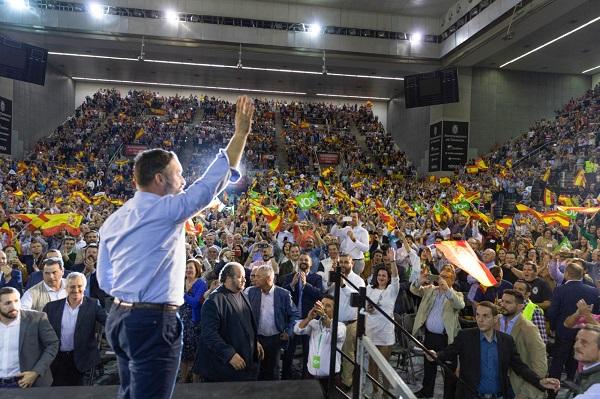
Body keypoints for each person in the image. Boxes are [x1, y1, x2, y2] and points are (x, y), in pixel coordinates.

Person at [98, 96, 255, 399]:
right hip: (153, 322)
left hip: (119, 318)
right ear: (159, 179)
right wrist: (241, 134)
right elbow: (211, 182)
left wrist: (132, 293)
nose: (184, 180)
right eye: (179, 174)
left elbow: (104, 279)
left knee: (129, 393)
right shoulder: (166, 210)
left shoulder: (115, 219)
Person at [428, 301, 561, 399]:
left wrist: (539, 381)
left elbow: (520, 368)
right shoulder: (465, 336)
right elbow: (448, 352)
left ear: (495, 318)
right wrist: (435, 355)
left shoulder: (506, 341)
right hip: (470, 396)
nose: (480, 320)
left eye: (486, 316)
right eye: (478, 315)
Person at [195, 262, 264, 382]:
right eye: (240, 277)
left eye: (244, 277)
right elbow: (209, 335)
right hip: (224, 369)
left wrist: (255, 341)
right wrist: (229, 354)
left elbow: (247, 323)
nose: (244, 280)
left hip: (246, 365)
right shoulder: (214, 301)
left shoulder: (242, 294)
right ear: (227, 277)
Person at [43, 272, 107, 386]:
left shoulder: (92, 305)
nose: (76, 290)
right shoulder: (51, 307)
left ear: (84, 287)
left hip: (83, 361)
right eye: (72, 287)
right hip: (58, 362)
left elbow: (108, 322)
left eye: (79, 286)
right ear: (66, 288)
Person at [411, 264, 464, 399]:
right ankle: (426, 392)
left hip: (446, 338)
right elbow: (413, 290)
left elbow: (460, 305)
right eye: (441, 276)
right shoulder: (431, 290)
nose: (443, 279)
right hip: (430, 336)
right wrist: (419, 280)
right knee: (429, 366)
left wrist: (447, 290)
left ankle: (449, 396)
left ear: (452, 279)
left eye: (446, 277)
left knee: (448, 370)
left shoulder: (456, 294)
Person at [548, 263, 600, 384]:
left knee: (558, 361)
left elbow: (553, 311)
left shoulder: (560, 290)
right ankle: (571, 382)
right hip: (587, 333)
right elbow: (596, 313)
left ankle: (552, 390)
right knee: (577, 358)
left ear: (566, 274)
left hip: (563, 331)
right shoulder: (593, 290)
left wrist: (553, 327)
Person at [247, 265, 299, 380]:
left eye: (258, 277)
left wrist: (289, 331)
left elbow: (295, 314)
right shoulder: (251, 292)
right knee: (256, 371)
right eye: (254, 276)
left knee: (273, 372)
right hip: (256, 339)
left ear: (268, 279)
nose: (254, 279)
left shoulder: (283, 294)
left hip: (275, 339)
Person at [0, 287, 59, 388]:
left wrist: (35, 372)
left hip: (27, 383)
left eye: (16, 301)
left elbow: (53, 344)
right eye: (7, 303)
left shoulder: (37, 319)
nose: (14, 306)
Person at [498, 289, 548, 399]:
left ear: (520, 307)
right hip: (495, 382)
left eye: (508, 302)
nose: (503, 305)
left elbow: (540, 365)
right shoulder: (495, 322)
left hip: (516, 386)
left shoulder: (529, 329)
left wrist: (525, 393)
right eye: (502, 301)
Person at [293, 295, 346, 396]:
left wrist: (324, 316)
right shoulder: (314, 323)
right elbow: (297, 330)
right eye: (322, 304)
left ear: (335, 310)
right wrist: (308, 318)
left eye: (328, 306)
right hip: (311, 374)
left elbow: (337, 334)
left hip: (331, 377)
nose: (324, 308)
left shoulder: (340, 326)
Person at [326, 253, 365, 389]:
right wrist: (330, 280)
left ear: (352, 263)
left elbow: (357, 299)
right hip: (335, 322)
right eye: (340, 262)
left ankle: (347, 382)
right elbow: (325, 292)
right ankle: (334, 378)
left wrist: (343, 285)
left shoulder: (359, 280)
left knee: (348, 353)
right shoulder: (335, 277)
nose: (342, 265)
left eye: (345, 262)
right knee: (334, 351)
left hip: (350, 323)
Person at [282, 253, 323, 379]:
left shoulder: (316, 278)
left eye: (306, 260)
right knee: (289, 352)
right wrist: (292, 285)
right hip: (292, 321)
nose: (303, 261)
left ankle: (307, 378)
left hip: (309, 320)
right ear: (297, 262)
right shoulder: (289, 277)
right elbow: (281, 295)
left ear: (311, 263)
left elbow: (319, 295)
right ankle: (286, 378)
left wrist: (306, 285)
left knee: (308, 351)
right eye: (301, 259)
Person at [365, 248, 399, 398]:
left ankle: (385, 392)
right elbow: (363, 307)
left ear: (388, 277)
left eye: (384, 275)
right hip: (371, 331)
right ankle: (375, 389)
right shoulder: (369, 289)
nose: (381, 277)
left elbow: (397, 277)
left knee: (384, 365)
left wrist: (392, 260)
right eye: (379, 275)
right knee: (372, 363)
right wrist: (367, 308)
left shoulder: (392, 289)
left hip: (385, 333)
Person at [180, 259, 207, 383]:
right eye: (186, 268)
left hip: (194, 322)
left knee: (195, 354)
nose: (188, 270)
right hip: (181, 322)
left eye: (191, 267)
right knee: (183, 353)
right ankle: (182, 379)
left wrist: (183, 294)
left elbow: (195, 303)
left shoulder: (201, 283)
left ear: (197, 269)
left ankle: (196, 381)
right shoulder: (180, 282)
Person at [513, 279, 548, 343]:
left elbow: (541, 340)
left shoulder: (535, 311)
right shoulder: (508, 306)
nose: (516, 291)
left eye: (520, 289)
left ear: (527, 294)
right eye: (514, 288)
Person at [570, 324, 600, 397]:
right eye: (576, 340)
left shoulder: (597, 387)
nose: (576, 346)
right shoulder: (589, 370)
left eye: (584, 342)